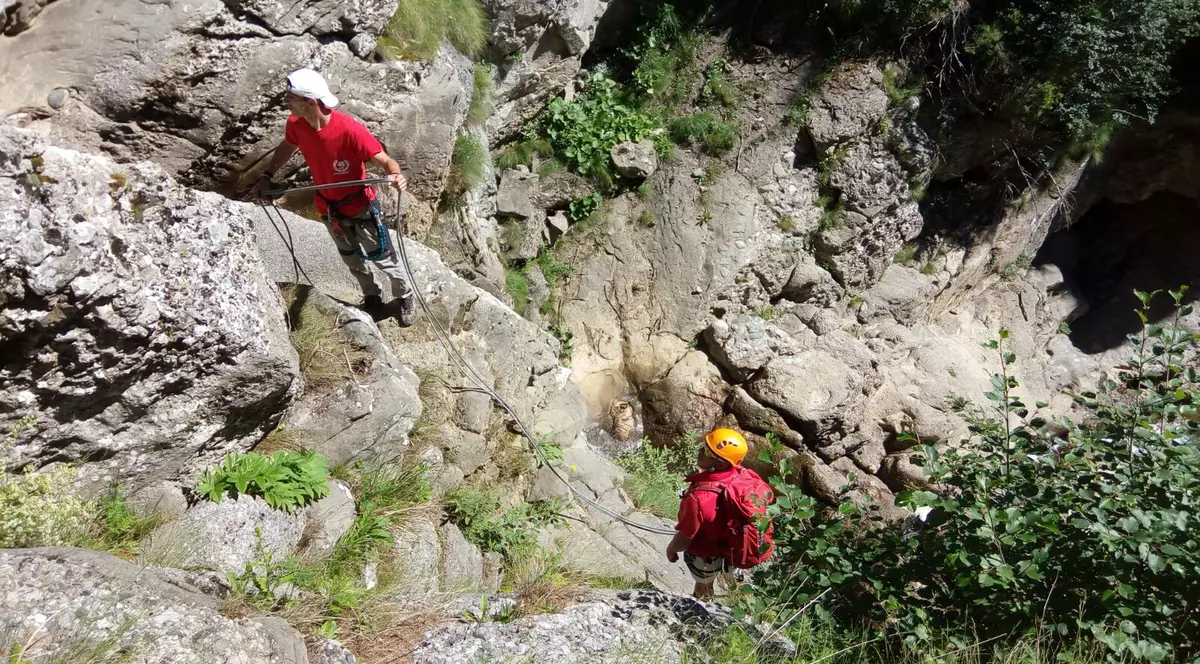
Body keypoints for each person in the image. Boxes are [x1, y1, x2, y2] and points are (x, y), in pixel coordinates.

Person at [253, 68, 416, 326]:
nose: (285, 101)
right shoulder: (296, 124)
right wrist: (268, 175)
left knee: (384, 257)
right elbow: (287, 145)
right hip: (328, 207)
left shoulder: (349, 130)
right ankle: (372, 297)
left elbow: (385, 161)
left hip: (360, 206)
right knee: (351, 258)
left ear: (310, 102)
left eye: (291, 97)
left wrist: (396, 175)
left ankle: (405, 296)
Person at [666, 427, 754, 600]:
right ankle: (748, 609)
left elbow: (686, 536)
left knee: (704, 584)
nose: (700, 450)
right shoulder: (744, 476)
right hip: (736, 547)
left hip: (705, 552)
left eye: (706, 450)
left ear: (721, 463)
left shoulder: (698, 498)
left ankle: (704, 607)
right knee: (737, 581)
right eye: (704, 445)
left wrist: (672, 549)